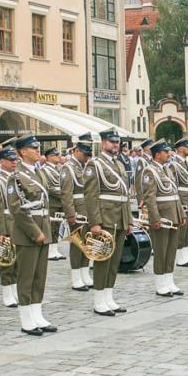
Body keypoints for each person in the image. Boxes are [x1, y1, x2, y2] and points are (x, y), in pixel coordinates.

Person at [5, 133, 56, 336]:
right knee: (26, 277)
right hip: (28, 232)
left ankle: (37, 313)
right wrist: (35, 233)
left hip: (43, 226)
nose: (37, 151)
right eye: (33, 148)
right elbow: (17, 208)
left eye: (37, 148)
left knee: (39, 276)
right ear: (23, 152)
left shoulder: (39, 173)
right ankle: (26, 318)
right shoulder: (16, 176)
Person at [84, 128, 131, 317]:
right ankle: (98, 300)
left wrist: (127, 220)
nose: (115, 145)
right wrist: (95, 222)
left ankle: (108, 296)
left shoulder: (118, 164)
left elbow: (124, 195)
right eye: (112, 142)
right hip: (105, 218)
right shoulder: (94, 165)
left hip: (119, 218)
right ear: (103, 143)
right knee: (103, 260)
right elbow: (91, 195)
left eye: (117, 142)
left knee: (114, 260)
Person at [141, 140, 185, 297]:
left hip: (173, 215)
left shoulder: (168, 170)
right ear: (157, 154)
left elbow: (175, 194)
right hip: (162, 216)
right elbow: (150, 198)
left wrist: (182, 214)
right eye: (166, 152)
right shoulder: (149, 171)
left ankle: (169, 280)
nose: (169, 154)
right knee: (161, 250)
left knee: (171, 249)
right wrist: (155, 218)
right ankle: (161, 283)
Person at [59, 134, 93, 291]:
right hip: (78, 209)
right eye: (85, 154)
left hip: (87, 208)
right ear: (77, 150)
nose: (87, 157)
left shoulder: (83, 166)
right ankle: (76, 277)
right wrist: (70, 214)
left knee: (87, 242)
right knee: (77, 244)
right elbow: (66, 194)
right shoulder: (68, 167)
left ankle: (85, 273)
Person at [0, 145, 19, 306]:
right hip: (7, 222)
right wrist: (0, 230)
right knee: (7, 260)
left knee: (19, 260)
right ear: (2, 162)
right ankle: (7, 293)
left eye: (15, 159)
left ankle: (15, 290)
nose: (14, 163)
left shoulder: (17, 178)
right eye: (10, 160)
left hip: (19, 222)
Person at [168, 139, 188, 268]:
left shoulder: (186, 163)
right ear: (180, 149)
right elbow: (174, 186)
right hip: (182, 200)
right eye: (187, 147)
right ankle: (180, 256)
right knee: (182, 229)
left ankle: (185, 253)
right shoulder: (174, 165)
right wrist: (177, 203)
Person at [41, 148, 65, 261]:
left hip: (60, 201)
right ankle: (50, 250)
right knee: (51, 227)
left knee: (58, 227)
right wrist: (63, 193)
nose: (59, 157)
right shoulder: (44, 170)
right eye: (56, 155)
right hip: (53, 201)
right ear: (49, 157)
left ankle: (55, 249)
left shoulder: (59, 169)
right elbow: (48, 188)